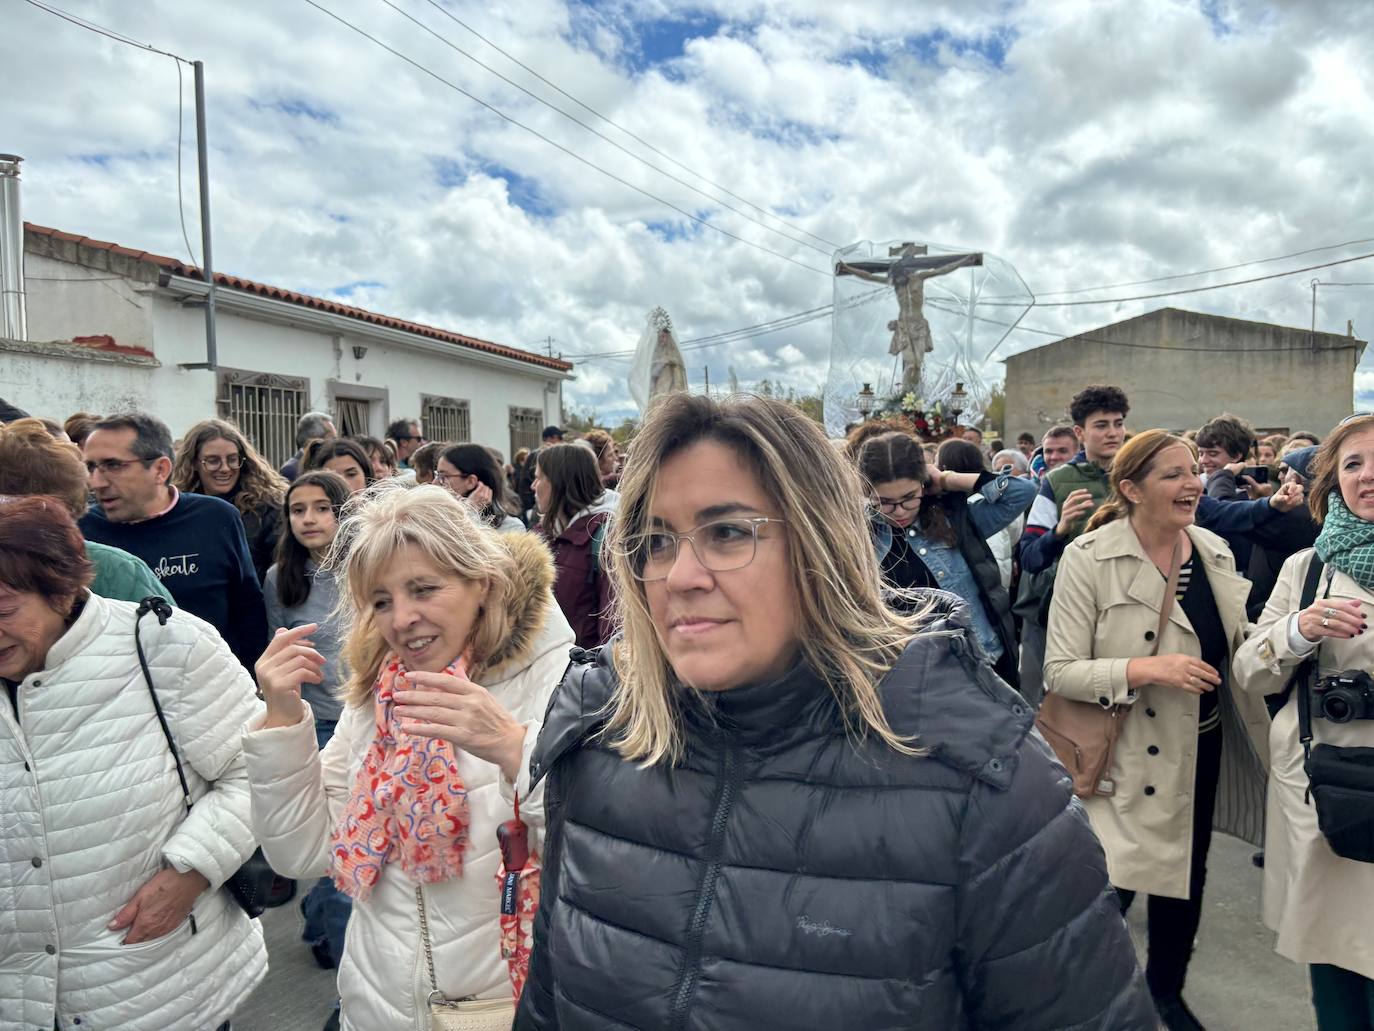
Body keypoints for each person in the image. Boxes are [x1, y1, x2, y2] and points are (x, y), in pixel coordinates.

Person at [514, 393, 1154, 1030]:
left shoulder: (979, 777)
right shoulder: (600, 737)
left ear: (820, 545)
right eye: (655, 541)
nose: (680, 575)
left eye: (729, 532)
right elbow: (549, 1000)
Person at [243, 483, 575, 1031]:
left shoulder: (563, 684)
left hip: (504, 1010)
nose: (401, 619)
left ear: (482, 583)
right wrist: (281, 719)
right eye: (381, 601)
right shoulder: (379, 696)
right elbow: (300, 855)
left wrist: (516, 751)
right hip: (374, 1005)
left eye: (424, 589)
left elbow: (601, 862)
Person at [0, 496, 267, 1030]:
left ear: (62, 587)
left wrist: (193, 870)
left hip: (156, 983)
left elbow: (257, 772)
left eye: (3, 611)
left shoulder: (167, 646)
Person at [1043, 430, 1270, 1030]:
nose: (1193, 482)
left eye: (1193, 470)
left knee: (1184, 878)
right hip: (1118, 753)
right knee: (1106, 889)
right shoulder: (1088, 558)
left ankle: (1165, 992)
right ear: (1130, 489)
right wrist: (1147, 668)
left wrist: (1293, 637)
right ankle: (1081, 1001)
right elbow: (1059, 671)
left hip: (1201, 743)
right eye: (1172, 474)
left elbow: (1238, 645)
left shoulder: (1214, 549)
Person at [1233, 415, 1374, 1030]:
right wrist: (1300, 629)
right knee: (1334, 943)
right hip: (1329, 786)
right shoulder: (1306, 568)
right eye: (1353, 464)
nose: (1368, 475)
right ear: (1333, 483)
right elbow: (1249, 670)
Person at [80, 412, 268, 672]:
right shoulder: (82, 531)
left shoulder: (216, 517)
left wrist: (254, 681)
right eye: (90, 467)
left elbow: (248, 609)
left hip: (218, 685)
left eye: (113, 465)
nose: (96, 482)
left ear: (160, 469)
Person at [262, 470, 353, 982]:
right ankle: (348, 978)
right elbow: (278, 651)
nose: (310, 519)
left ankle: (322, 927)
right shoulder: (281, 578)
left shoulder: (366, 566)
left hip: (364, 719)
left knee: (347, 850)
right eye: (299, 510)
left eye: (322, 507)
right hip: (316, 724)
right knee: (333, 851)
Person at [858, 431, 1035, 686]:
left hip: (976, 665)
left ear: (923, 484)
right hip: (904, 678)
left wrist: (947, 479)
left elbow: (1022, 492)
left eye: (909, 498)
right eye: (885, 502)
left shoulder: (955, 518)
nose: (899, 511)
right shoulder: (860, 534)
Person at [0, 417, 172, 606]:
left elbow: (171, 631)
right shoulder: (116, 567)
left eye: (114, 465)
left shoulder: (115, 570)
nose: (98, 482)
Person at [172, 418, 288, 583]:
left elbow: (281, 569)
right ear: (194, 463)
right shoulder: (180, 509)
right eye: (213, 461)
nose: (225, 468)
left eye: (232, 459)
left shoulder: (268, 507)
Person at [533, 442, 620, 649]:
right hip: (545, 672)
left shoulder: (607, 537)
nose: (533, 486)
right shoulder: (541, 533)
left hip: (582, 673)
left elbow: (613, 631)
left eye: (538, 478)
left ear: (559, 482)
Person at [436, 443, 526, 533]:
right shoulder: (435, 516)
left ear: (471, 481)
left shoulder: (510, 528)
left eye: (443, 476)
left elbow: (453, 544)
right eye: (437, 475)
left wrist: (470, 511)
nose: (435, 482)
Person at [516, 425, 564, 521]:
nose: (562, 441)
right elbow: (526, 482)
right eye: (559, 438)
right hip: (538, 506)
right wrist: (529, 508)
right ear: (552, 438)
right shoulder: (537, 455)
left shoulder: (562, 455)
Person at [302, 437, 375, 495]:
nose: (345, 483)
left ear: (366, 475)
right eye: (334, 478)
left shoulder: (383, 512)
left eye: (351, 474)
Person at [282, 411, 337, 482]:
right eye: (333, 439)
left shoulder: (325, 464)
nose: (336, 443)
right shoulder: (291, 470)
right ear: (316, 439)